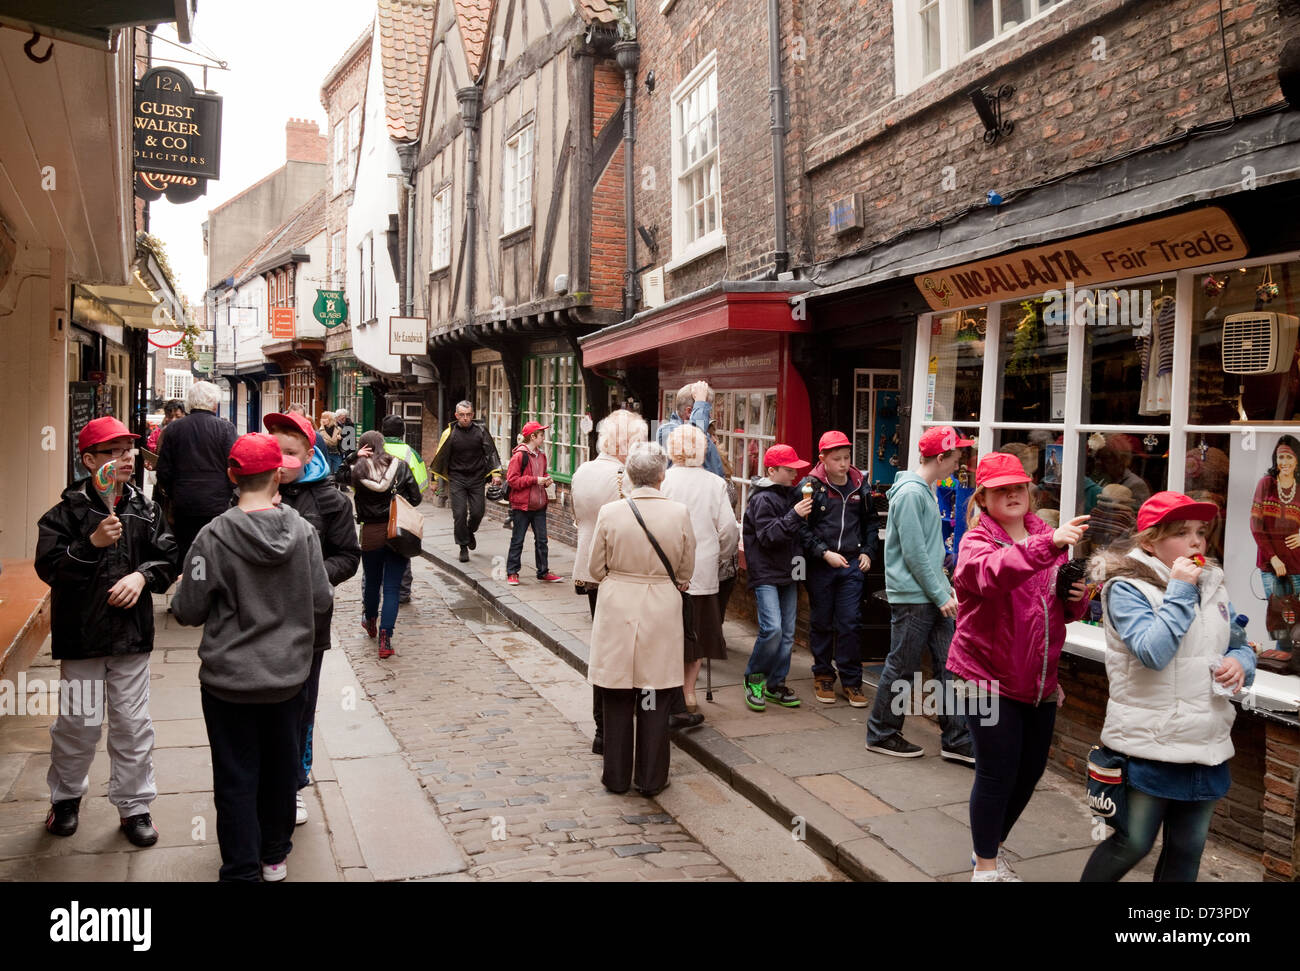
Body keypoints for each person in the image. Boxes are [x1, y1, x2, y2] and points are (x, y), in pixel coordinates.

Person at [172, 433, 332, 882]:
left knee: (235, 775)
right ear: (278, 474)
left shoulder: (212, 537)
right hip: (285, 679)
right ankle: (274, 855)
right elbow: (321, 600)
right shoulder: (303, 533)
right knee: (280, 769)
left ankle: (241, 867)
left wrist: (186, 585)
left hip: (229, 682)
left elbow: (189, 610)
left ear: (231, 476)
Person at [1081, 492, 1256, 882]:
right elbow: (1152, 652)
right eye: (1182, 533)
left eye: (1201, 532)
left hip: (1206, 740)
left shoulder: (1211, 583)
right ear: (1149, 541)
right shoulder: (1126, 588)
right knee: (1133, 843)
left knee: (1187, 849)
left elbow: (1238, 643)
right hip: (1150, 742)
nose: (1197, 542)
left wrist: (1241, 663)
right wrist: (1179, 590)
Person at [945, 453, 1092, 881]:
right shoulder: (976, 543)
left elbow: (1062, 613)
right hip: (981, 676)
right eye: (1000, 489)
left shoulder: (1047, 536)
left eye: (1019, 487)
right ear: (983, 497)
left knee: (1028, 773)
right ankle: (986, 869)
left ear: (1029, 492)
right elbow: (993, 575)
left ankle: (988, 846)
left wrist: (1076, 595)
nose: (1012, 494)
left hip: (1037, 680)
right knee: (996, 772)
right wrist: (1050, 548)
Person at [35, 416, 178, 847]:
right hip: (81, 638)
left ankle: (134, 806)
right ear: (89, 460)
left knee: (133, 724)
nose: (125, 459)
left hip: (131, 638)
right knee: (78, 723)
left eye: (128, 450)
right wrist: (90, 544)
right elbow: (51, 571)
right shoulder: (62, 516)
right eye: (113, 452)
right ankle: (65, 799)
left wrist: (143, 577)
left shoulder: (146, 509)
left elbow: (168, 557)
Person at [264, 411, 360, 826]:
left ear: (308, 453)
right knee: (260, 709)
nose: (281, 458)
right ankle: (262, 779)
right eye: (275, 450)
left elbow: (349, 557)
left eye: (291, 451)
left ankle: (295, 784)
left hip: (307, 624)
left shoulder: (330, 500)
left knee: (301, 707)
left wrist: (313, 576)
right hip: (255, 623)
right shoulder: (249, 491)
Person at [586, 442, 696, 796]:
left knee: (616, 693)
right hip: (661, 604)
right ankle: (650, 778)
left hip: (618, 601)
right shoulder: (678, 513)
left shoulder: (611, 512)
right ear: (661, 475)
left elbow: (594, 567)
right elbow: (685, 568)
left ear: (630, 476)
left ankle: (616, 777)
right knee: (655, 693)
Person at [866, 425, 975, 762]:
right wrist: (941, 594)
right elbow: (914, 553)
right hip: (915, 597)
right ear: (941, 457)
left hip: (929, 593)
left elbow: (926, 551)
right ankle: (882, 732)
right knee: (902, 665)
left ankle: (956, 738)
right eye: (956, 455)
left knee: (949, 664)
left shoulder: (923, 488)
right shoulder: (913, 494)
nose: (959, 461)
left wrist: (944, 590)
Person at [571, 409, 649, 756]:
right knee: (621, 656)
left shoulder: (583, 469)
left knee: (601, 649)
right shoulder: (622, 476)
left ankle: (602, 727)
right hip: (617, 572)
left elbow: (577, 517)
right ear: (626, 442)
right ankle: (611, 728)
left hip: (588, 569)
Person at [796, 430, 881, 706]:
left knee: (850, 623)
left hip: (851, 564)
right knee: (822, 621)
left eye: (846, 457)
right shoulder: (811, 486)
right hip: (823, 564)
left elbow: (871, 522)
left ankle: (852, 681)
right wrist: (823, 553)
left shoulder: (860, 484)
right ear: (823, 459)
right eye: (837, 459)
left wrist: (868, 551)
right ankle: (823, 674)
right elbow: (800, 527)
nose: (843, 464)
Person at [662, 424, 739, 723]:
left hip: (667, 568)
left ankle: (670, 691)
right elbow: (729, 530)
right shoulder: (715, 483)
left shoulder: (663, 480)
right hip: (702, 568)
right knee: (695, 633)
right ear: (703, 450)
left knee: (669, 631)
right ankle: (689, 692)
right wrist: (719, 556)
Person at [741, 444, 814, 712]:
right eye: (789, 469)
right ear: (772, 470)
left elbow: (797, 538)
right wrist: (795, 514)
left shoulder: (791, 494)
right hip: (766, 572)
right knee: (772, 629)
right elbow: (769, 536)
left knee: (787, 633)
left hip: (789, 570)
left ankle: (776, 683)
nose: (795, 473)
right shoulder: (762, 499)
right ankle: (755, 681)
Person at [351, 430, 422, 658]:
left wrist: (354, 456)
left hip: (371, 532)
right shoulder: (400, 466)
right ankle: (385, 638)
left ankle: (370, 621)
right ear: (383, 446)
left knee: (372, 582)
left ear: (364, 447)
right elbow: (416, 497)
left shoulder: (358, 470)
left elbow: (337, 475)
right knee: (392, 587)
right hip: (396, 532)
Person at [155, 380, 238, 572]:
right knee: (215, 549)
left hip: (185, 503)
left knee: (189, 550)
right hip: (216, 503)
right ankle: (210, 590)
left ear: (190, 403)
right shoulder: (225, 429)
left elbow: (164, 470)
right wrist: (228, 490)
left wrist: (175, 492)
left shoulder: (173, 430)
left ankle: (191, 588)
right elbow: (234, 466)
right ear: (214, 403)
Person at [1250, 435, 1300, 674]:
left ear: (1298, 459)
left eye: (1289, 456)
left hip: (1298, 564)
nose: (1285, 461)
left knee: (1298, 621)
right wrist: (1273, 557)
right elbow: (1256, 526)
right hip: (1272, 566)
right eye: (1281, 456)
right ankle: (1283, 667)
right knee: (1281, 617)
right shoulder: (1266, 484)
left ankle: (1296, 665)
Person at [430, 401, 503, 563]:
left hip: (477, 478)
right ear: (456, 416)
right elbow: (439, 457)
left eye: (468, 415)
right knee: (459, 513)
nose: (465, 418)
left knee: (478, 512)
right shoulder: (449, 433)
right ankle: (463, 546)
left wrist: (496, 474)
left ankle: (469, 532)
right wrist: (434, 480)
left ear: (472, 415)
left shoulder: (481, 431)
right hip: (457, 479)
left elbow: (490, 452)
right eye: (461, 415)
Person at [504, 420, 564, 586]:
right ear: (532, 436)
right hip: (522, 506)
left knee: (542, 540)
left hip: (539, 505)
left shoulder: (542, 455)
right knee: (518, 540)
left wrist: (546, 480)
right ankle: (512, 572)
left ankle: (543, 572)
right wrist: (535, 480)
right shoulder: (519, 456)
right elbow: (512, 480)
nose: (544, 437)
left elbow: (541, 473)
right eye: (541, 434)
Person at [381, 414, 429, 603]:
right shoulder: (410, 453)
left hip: (374, 512)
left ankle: (378, 590)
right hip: (400, 511)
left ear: (383, 431)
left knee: (377, 553)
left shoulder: (375, 450)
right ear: (402, 433)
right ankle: (402, 591)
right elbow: (422, 483)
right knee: (401, 550)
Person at [656, 381, 725, 478]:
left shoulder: (702, 431)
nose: (708, 416)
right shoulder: (667, 430)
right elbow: (693, 443)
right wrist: (700, 404)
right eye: (707, 411)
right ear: (689, 412)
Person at [317, 411, 343, 477]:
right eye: (322, 418)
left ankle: (337, 486)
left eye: (325, 418)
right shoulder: (320, 431)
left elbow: (338, 443)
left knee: (337, 473)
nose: (323, 420)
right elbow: (329, 442)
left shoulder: (338, 429)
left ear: (330, 419)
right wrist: (322, 428)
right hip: (326, 454)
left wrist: (340, 439)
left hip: (337, 454)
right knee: (328, 473)